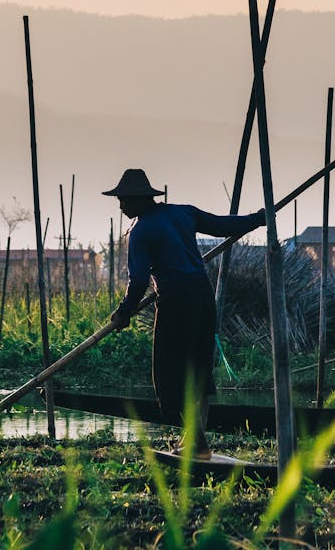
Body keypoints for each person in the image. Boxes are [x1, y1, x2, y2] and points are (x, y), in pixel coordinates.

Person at [104, 168, 265, 459]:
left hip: (177, 303)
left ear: (139, 200)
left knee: (170, 375)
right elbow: (224, 226)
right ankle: (192, 441)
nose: (121, 206)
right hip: (203, 298)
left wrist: (124, 312)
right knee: (198, 370)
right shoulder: (183, 213)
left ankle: (199, 444)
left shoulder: (140, 232)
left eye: (124, 200)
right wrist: (259, 218)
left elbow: (138, 280)